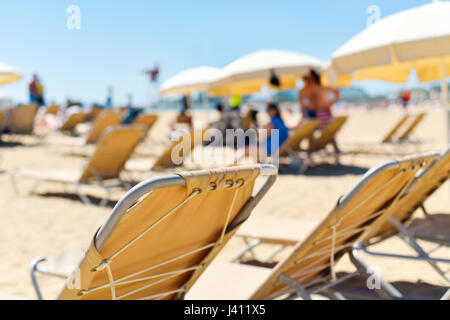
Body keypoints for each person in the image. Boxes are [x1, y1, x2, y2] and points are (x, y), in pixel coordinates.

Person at [300, 69, 341, 156]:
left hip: (319, 113)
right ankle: (335, 150)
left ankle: (310, 151)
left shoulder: (306, 89)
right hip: (322, 113)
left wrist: (329, 103)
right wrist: (329, 103)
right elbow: (336, 92)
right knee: (327, 134)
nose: (308, 79)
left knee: (325, 134)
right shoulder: (319, 87)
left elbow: (302, 105)